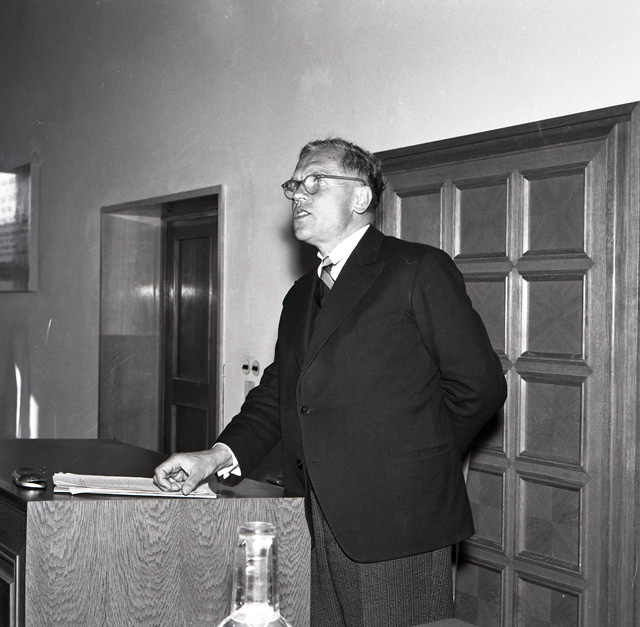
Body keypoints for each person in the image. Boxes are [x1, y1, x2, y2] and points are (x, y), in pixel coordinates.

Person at [154, 137, 507, 626]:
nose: (298, 194)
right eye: (294, 185)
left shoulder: (415, 269)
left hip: (398, 520)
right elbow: (279, 393)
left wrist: (414, 461)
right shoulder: (301, 295)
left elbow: (479, 385)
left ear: (360, 197)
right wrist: (213, 457)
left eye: (315, 182)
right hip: (313, 516)